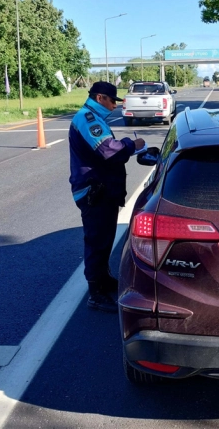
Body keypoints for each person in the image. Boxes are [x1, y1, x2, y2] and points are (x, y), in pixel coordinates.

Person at [69, 81, 145, 312]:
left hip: (102, 191)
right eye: (112, 101)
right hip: (94, 191)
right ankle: (96, 293)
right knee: (97, 241)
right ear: (100, 98)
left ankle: (103, 279)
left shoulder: (93, 117)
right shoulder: (88, 119)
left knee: (104, 240)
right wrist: (133, 144)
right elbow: (109, 151)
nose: (114, 106)